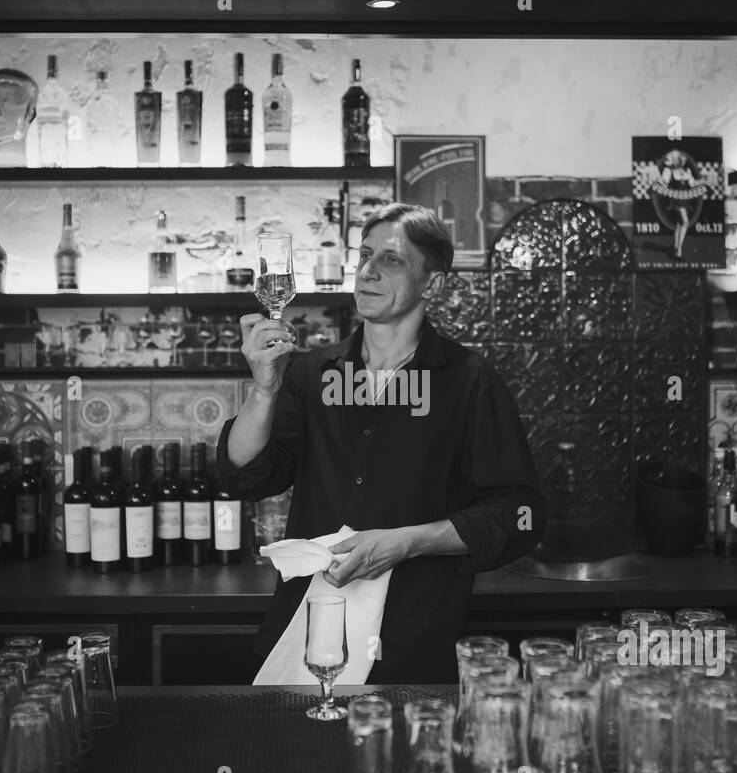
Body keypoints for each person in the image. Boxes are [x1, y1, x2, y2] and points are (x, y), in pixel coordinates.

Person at [217, 202, 546, 684]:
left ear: (432, 283)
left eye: (391, 260)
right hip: (307, 628)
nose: (368, 272)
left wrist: (407, 543)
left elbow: (519, 514)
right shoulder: (312, 374)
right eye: (365, 256)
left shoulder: (469, 382)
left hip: (412, 641)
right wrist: (264, 387)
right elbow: (246, 474)